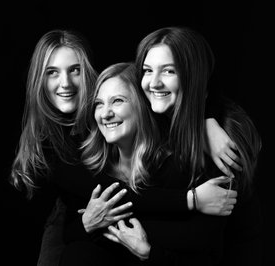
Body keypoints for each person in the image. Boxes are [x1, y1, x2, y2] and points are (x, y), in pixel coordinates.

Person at [9, 29, 240, 266]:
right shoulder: (51, 146)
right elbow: (114, 194)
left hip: (132, 200)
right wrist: (192, 199)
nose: (65, 82)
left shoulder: (109, 97)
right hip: (82, 208)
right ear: (39, 79)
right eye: (52, 73)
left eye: (75, 70)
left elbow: (197, 73)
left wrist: (206, 118)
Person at [75, 26, 261, 265]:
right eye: (147, 70)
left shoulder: (225, 142)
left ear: (191, 77)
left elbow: (201, 241)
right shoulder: (161, 124)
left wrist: (136, 242)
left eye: (169, 71)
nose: (153, 82)